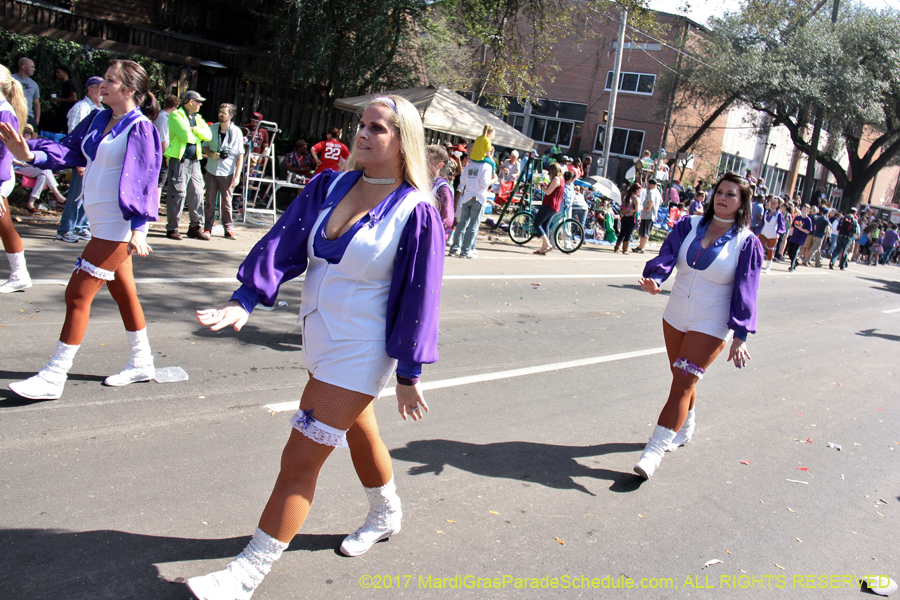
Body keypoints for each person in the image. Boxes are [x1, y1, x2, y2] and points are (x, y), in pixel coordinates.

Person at [187, 94, 444, 600]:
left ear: (403, 141)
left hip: (361, 350)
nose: (364, 134)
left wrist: (409, 374)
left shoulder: (417, 212)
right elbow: (282, 244)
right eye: (362, 124)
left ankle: (246, 574)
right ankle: (386, 511)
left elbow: (421, 297)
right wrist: (245, 300)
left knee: (298, 460)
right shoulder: (328, 184)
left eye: (379, 128)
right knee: (357, 430)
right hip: (319, 339)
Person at [1, 59, 162, 399]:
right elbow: (68, 151)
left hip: (118, 226)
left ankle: (54, 376)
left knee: (76, 294)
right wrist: (28, 154)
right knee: (124, 293)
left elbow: (147, 181)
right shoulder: (99, 117)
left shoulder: (140, 127)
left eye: (110, 80)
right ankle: (142, 362)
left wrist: (139, 230)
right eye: (103, 79)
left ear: (130, 90)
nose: (102, 85)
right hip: (98, 220)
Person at [635, 172, 762, 479]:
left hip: (711, 322)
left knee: (681, 383)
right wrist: (656, 279)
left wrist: (741, 334)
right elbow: (666, 257)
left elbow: (747, 289)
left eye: (732, 194)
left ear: (743, 202)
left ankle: (653, 452)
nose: (723, 198)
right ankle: (686, 427)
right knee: (683, 380)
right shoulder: (688, 225)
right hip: (675, 315)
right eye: (720, 192)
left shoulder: (747, 243)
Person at [57, 75, 104, 243]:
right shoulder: (81, 107)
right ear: (89, 89)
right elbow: (74, 137)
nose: (101, 90)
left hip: (95, 159)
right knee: (76, 195)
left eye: (103, 87)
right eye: (98, 87)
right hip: (82, 159)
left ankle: (81, 227)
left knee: (89, 195)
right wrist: (78, 161)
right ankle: (65, 229)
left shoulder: (102, 109)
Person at [0, 65, 33, 293]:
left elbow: (5, 154)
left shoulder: (5, 112)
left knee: (5, 226)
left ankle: (20, 273)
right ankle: (20, 273)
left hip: (0, 179)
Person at [164, 90, 211, 240]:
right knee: (178, 194)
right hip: (180, 160)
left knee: (197, 193)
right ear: (190, 101)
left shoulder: (197, 118)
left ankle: (195, 227)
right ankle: (172, 228)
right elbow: (186, 136)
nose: (200, 104)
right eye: (198, 101)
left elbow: (208, 135)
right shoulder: (176, 115)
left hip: (195, 160)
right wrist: (198, 135)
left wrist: (195, 130)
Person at [202, 103, 244, 240]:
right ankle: (208, 227)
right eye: (220, 112)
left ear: (230, 116)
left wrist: (237, 176)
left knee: (226, 202)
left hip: (227, 172)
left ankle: (228, 229)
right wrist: (211, 154)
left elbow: (240, 155)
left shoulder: (236, 132)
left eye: (224, 113)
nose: (220, 114)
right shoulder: (212, 128)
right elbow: (204, 147)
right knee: (209, 200)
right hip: (212, 169)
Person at [448, 143, 494, 259]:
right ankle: (466, 250)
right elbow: (484, 184)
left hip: (467, 196)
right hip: (478, 197)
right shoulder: (486, 166)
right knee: (473, 225)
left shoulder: (470, 164)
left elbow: (462, 180)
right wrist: (492, 181)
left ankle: (455, 248)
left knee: (461, 224)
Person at [14, 124, 67, 211]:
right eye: (24, 132)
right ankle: (57, 195)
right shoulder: (15, 144)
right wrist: (23, 164)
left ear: (31, 135)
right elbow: (11, 159)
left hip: (33, 169)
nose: (26, 134)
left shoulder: (33, 146)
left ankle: (30, 203)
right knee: (45, 169)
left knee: (43, 176)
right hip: (19, 168)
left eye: (28, 133)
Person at [532, 162, 565, 255]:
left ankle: (547, 243)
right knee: (545, 225)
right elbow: (554, 190)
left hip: (549, 205)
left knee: (537, 224)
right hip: (555, 206)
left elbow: (548, 193)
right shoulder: (562, 179)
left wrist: (542, 187)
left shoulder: (555, 179)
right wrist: (547, 185)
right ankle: (543, 248)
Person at [153, 94, 178, 202]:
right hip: (161, 152)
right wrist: (166, 155)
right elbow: (163, 138)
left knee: (161, 179)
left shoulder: (163, 116)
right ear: (174, 107)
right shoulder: (163, 118)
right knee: (160, 179)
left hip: (162, 151)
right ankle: (156, 204)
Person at [425, 144, 454, 240]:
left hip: (431, 239)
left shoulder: (442, 188)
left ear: (440, 165)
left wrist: (430, 235)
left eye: (429, 161)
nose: (424, 163)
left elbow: (447, 220)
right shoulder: (420, 183)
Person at [755, 196, 786, 274]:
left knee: (770, 250)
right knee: (759, 248)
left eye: (774, 204)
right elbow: (762, 223)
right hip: (764, 232)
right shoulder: (766, 212)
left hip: (772, 234)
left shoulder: (779, 214)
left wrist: (778, 234)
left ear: (777, 205)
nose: (772, 205)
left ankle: (768, 267)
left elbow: (781, 226)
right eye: (771, 203)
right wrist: (758, 232)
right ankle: (758, 264)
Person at [632, 178, 662, 253]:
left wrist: (649, 209)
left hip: (648, 215)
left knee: (644, 232)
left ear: (651, 184)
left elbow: (651, 201)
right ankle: (640, 246)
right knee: (644, 231)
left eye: (648, 184)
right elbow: (660, 202)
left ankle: (642, 247)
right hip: (653, 215)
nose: (648, 186)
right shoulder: (658, 192)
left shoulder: (651, 192)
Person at [11, 57, 39, 129]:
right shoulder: (10, 80)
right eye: (32, 67)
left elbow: (36, 103)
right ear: (23, 67)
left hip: (28, 117)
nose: (34, 69)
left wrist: (37, 119)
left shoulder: (34, 84)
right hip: (12, 115)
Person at [613, 182, 641, 254]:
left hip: (624, 216)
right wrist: (642, 208)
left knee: (622, 232)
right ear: (637, 190)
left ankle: (616, 247)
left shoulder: (626, 196)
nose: (640, 192)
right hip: (632, 217)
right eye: (640, 190)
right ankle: (625, 249)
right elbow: (637, 209)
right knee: (628, 233)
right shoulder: (636, 198)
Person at [50, 65, 78, 133]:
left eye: (58, 72)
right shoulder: (63, 84)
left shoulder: (69, 83)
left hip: (68, 111)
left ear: (65, 73)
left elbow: (74, 98)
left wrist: (59, 100)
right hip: (63, 110)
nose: (56, 74)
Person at [786, 204, 811, 272]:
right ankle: (795, 262)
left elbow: (808, 231)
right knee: (790, 251)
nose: (803, 209)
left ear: (808, 211)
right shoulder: (797, 217)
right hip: (794, 236)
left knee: (795, 251)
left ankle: (792, 266)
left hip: (800, 238)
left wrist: (800, 228)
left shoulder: (808, 220)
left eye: (806, 208)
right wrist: (789, 225)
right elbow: (793, 226)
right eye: (803, 208)